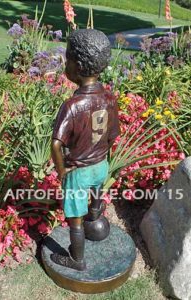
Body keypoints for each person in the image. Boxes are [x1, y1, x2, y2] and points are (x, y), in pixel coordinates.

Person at [51, 29, 120, 271]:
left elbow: (56, 144)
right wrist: (100, 154)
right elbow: (112, 136)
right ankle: (95, 218)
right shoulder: (110, 99)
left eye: (67, 58)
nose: (65, 63)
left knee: (74, 220)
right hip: (101, 167)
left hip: (79, 171)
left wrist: (62, 172)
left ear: (77, 66)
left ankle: (76, 260)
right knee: (96, 193)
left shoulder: (72, 106)